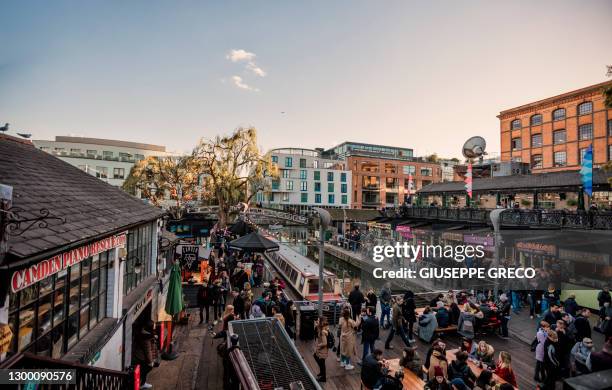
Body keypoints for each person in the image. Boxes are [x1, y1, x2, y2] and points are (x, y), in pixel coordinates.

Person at [132, 321, 157, 390]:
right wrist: (150, 362)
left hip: (139, 356)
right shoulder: (146, 338)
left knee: (143, 370)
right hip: (140, 357)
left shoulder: (145, 333)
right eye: (153, 326)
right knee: (147, 368)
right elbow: (148, 351)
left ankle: (142, 382)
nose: (154, 327)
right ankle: (142, 384)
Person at [313, 316, 329, 382]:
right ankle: (322, 373)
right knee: (317, 358)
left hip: (322, 349)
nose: (317, 321)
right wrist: (316, 325)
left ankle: (323, 377)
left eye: (318, 320)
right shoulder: (322, 328)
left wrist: (318, 346)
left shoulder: (323, 331)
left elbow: (324, 343)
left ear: (321, 322)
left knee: (322, 363)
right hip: (322, 349)